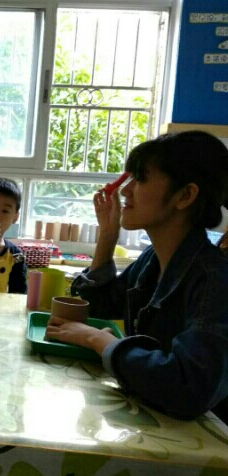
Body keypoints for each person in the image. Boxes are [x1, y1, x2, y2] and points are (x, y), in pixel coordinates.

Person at [45, 131, 228, 423]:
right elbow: (100, 305)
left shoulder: (213, 280)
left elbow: (189, 388)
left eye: (140, 179)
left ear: (185, 196)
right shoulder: (152, 259)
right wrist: (108, 234)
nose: (125, 190)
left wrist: (99, 340)